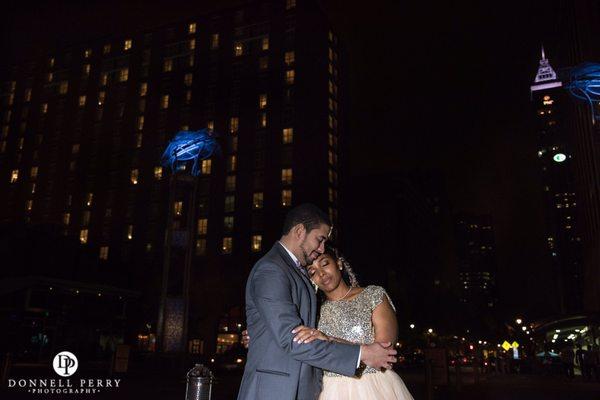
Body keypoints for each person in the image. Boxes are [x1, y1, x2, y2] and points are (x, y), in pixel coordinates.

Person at [237, 204, 397, 400]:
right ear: (299, 232)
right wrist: (360, 354)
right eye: (319, 240)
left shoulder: (296, 271)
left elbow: (300, 329)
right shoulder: (272, 269)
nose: (321, 249)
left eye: (325, 260)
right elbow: (292, 338)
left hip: (314, 388)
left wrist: (261, 333)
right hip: (276, 390)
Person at [243, 246, 414, 399]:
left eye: (325, 264)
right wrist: (262, 336)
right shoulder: (312, 313)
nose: (321, 274)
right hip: (327, 391)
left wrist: (328, 338)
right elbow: (294, 342)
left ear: (339, 264)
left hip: (374, 388)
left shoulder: (372, 295)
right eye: (312, 272)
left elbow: (386, 353)